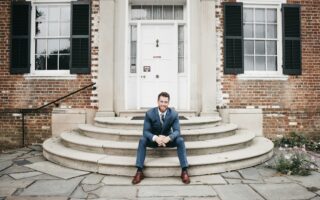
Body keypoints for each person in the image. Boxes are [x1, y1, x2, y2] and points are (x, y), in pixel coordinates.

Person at [132, 92, 190, 184]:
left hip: (167, 140)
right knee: (142, 139)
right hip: (154, 141)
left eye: (165, 102)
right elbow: (145, 131)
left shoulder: (174, 114)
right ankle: (139, 171)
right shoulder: (149, 113)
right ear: (157, 102)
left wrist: (169, 137)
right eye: (161, 101)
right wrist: (155, 138)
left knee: (180, 140)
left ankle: (184, 170)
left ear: (168, 103)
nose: (163, 104)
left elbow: (177, 131)